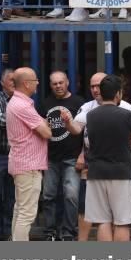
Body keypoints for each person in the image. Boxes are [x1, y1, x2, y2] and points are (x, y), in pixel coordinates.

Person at [67, 72, 131, 241]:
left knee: (103, 221)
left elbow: (77, 130)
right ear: (118, 93)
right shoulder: (126, 114)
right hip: (122, 172)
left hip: (96, 172)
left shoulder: (91, 115)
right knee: (122, 222)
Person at [6, 67, 51, 241]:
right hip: (29, 165)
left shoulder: (18, 103)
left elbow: (42, 124)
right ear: (26, 84)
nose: (38, 83)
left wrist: (43, 124)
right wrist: (46, 126)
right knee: (27, 213)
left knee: (20, 209)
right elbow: (46, 132)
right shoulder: (23, 105)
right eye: (35, 80)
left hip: (22, 163)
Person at [39, 71, 84, 241]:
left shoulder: (79, 102)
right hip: (50, 158)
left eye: (61, 82)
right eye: (54, 83)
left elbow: (86, 132)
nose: (58, 86)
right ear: (50, 85)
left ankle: (68, 233)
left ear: (68, 82)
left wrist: (82, 155)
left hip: (72, 158)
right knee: (49, 195)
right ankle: (50, 231)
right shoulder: (45, 103)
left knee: (71, 195)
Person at [0, 69, 15, 240]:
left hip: (15, 156)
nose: (13, 83)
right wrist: (22, 119)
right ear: (2, 82)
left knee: (11, 196)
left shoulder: (21, 100)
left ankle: (7, 232)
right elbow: (1, 120)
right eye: (10, 80)